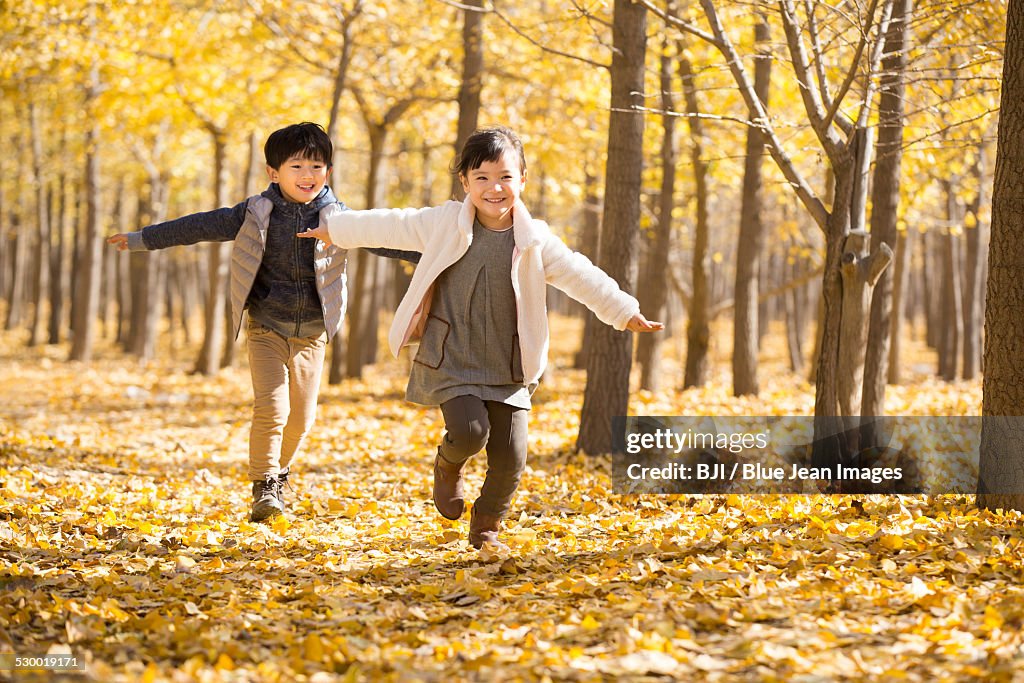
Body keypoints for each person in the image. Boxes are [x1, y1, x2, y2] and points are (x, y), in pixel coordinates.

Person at [299, 126, 662, 551]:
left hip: (509, 362)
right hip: (451, 354)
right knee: (471, 432)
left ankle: (486, 524)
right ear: (465, 183)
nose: (495, 188)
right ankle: (447, 464)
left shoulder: (535, 238)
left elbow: (580, 273)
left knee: (511, 458)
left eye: (506, 177)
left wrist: (623, 309)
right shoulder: (443, 223)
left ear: (523, 180)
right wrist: (335, 227)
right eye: (482, 178)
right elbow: (392, 225)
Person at [108, 122, 418, 523]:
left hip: (311, 334)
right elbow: (199, 225)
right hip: (266, 327)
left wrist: (436, 256)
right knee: (271, 409)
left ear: (328, 171)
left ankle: (278, 472)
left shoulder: (338, 218)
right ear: (274, 172)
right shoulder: (254, 213)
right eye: (297, 166)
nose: (308, 175)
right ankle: (264, 485)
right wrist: (143, 238)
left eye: (317, 166)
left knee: (302, 420)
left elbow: (384, 241)